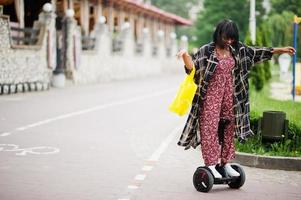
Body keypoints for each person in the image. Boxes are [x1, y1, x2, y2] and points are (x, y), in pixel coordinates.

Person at [176, 19, 295, 178]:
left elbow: (257, 52)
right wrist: (185, 55)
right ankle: (211, 164)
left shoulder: (237, 50)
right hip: (211, 96)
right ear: (218, 34)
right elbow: (193, 70)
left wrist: (282, 50)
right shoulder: (207, 50)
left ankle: (225, 163)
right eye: (226, 37)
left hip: (232, 97)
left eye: (232, 38)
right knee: (209, 129)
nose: (229, 41)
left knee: (229, 129)